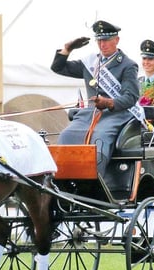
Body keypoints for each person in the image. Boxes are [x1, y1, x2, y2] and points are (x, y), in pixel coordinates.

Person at [51, 20, 140, 176]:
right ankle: (62, 178)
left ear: (116, 40)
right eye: (99, 40)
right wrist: (67, 49)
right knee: (67, 135)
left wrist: (109, 102)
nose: (102, 44)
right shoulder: (90, 62)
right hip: (89, 115)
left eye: (106, 40)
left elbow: (131, 98)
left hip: (116, 115)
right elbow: (58, 68)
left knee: (99, 137)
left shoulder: (127, 65)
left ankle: (94, 181)